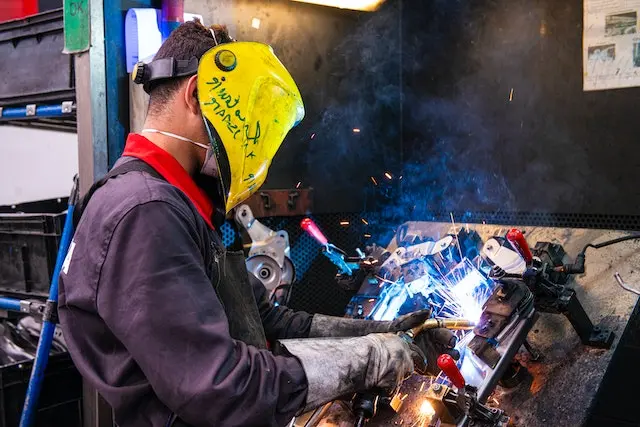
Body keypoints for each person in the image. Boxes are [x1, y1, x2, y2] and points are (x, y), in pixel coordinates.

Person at [58, 22, 457, 427]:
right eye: (245, 123)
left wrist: (382, 334)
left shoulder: (175, 202)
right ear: (197, 95)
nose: (249, 142)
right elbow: (222, 387)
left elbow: (267, 320)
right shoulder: (144, 213)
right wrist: (373, 358)